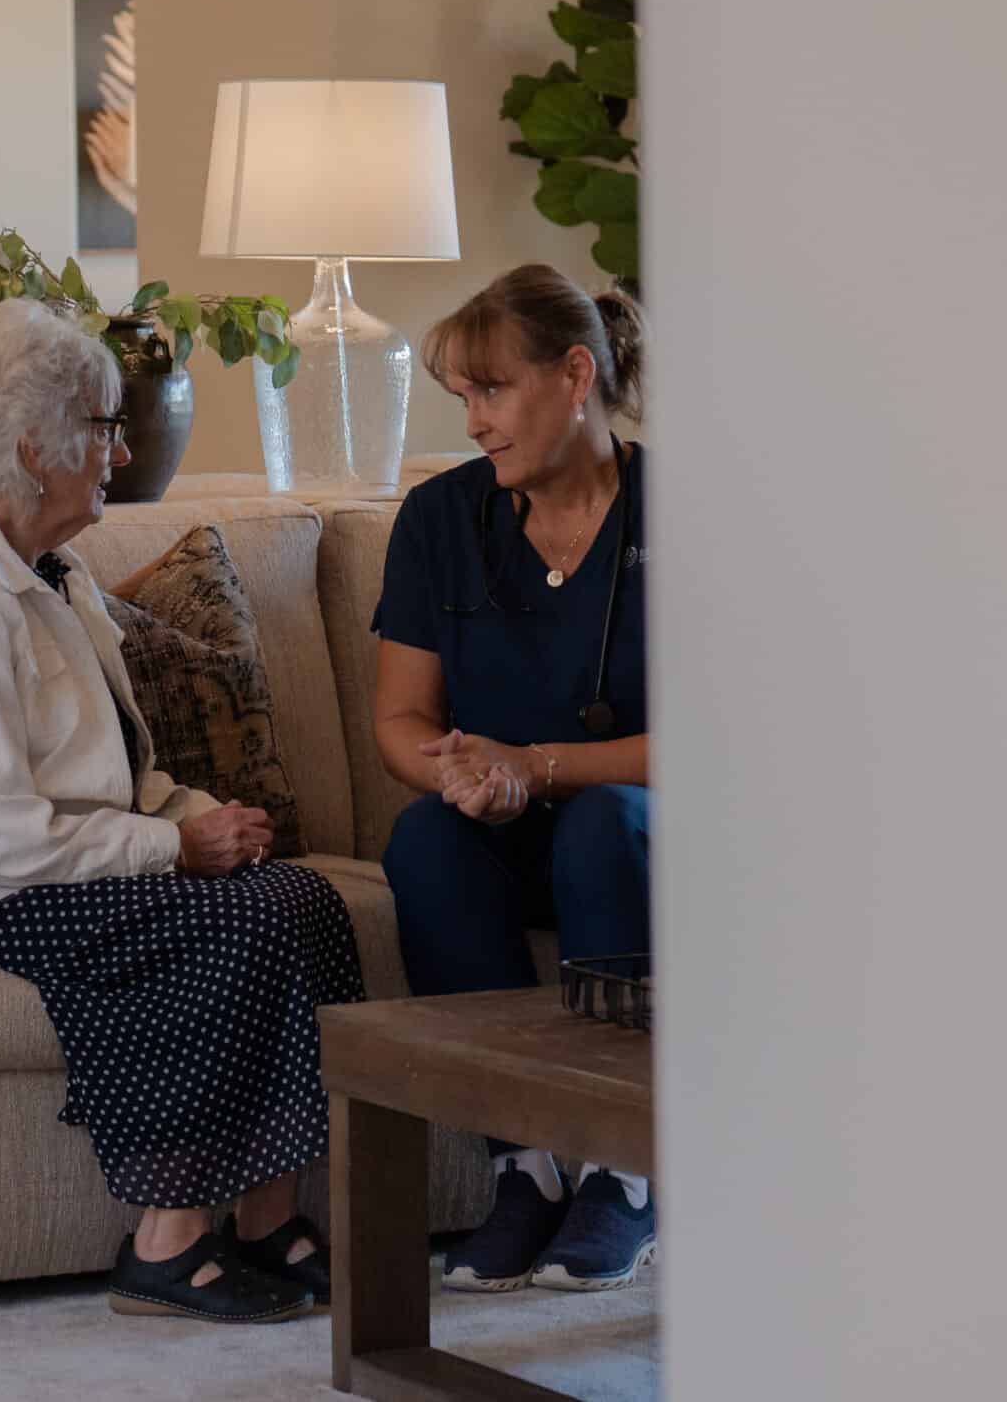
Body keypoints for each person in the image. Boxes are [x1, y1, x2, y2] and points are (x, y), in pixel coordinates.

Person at [0, 300, 362, 1325]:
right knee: (242, 917)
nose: (123, 448)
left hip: (68, 856)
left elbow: (116, 769)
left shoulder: (57, 573)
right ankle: (164, 1240)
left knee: (304, 898)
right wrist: (175, 847)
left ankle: (266, 1219)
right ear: (31, 445)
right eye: (104, 425)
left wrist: (200, 814)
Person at [372, 263, 656, 1292]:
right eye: (464, 398)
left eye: (492, 389)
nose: (476, 420)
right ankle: (523, 1169)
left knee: (600, 823)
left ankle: (628, 1173)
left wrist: (534, 768)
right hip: (500, 822)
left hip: (648, 835)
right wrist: (456, 774)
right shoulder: (440, 518)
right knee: (424, 840)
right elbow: (401, 720)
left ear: (574, 373)